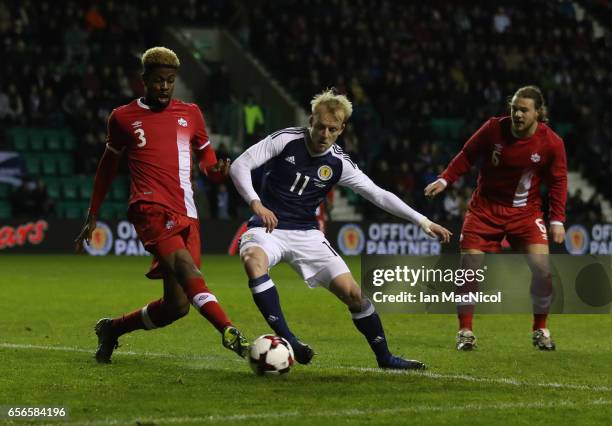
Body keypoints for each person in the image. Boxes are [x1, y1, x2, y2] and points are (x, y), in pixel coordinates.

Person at [230, 89, 452, 370]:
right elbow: (240, 165)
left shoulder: (338, 162)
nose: (324, 134)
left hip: (307, 234)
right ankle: (290, 341)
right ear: (311, 120)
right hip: (267, 228)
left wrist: (423, 221)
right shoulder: (286, 140)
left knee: (355, 295)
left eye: (332, 129)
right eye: (320, 126)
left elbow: (378, 194)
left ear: (342, 129)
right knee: (253, 261)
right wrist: (257, 204)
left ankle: (385, 358)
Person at [75, 47, 249, 364]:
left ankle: (112, 329)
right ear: (144, 80)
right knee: (187, 268)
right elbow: (106, 168)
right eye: (157, 81)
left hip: (187, 212)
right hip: (150, 208)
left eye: (169, 81)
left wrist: (217, 173)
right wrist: (93, 214)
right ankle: (228, 331)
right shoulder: (123, 117)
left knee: (177, 306)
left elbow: (208, 163)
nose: (164, 87)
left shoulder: (191, 113)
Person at [424, 85, 567, 351]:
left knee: (543, 270)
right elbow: (467, 155)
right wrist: (445, 179)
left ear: (538, 112)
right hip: (484, 210)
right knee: (469, 269)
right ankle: (465, 331)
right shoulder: (493, 129)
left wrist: (557, 219)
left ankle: (541, 329)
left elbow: (558, 181)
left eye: (524, 110)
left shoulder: (551, 143)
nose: (517, 114)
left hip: (525, 213)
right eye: (514, 108)